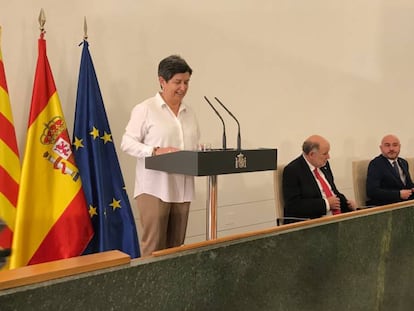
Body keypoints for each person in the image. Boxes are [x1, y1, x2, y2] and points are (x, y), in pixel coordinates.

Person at [121, 55, 200, 256]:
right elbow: (127, 143)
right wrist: (154, 151)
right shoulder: (145, 109)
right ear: (162, 81)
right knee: (154, 247)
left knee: (176, 248)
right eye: (178, 82)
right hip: (154, 189)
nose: (183, 88)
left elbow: (191, 146)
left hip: (182, 189)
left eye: (186, 82)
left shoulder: (189, 113)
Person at [282, 135, 356, 221]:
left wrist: (348, 204)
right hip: (313, 222)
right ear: (312, 154)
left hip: (335, 218)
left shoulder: (323, 165)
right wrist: (326, 204)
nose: (328, 157)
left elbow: (333, 192)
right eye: (325, 153)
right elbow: (293, 206)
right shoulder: (292, 171)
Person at [366, 134, 414, 206]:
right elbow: (372, 191)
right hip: (387, 206)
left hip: (405, 204)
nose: (391, 148)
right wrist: (398, 194)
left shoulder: (403, 162)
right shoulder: (376, 164)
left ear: (399, 147)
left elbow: (408, 185)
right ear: (381, 148)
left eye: (395, 145)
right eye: (387, 145)